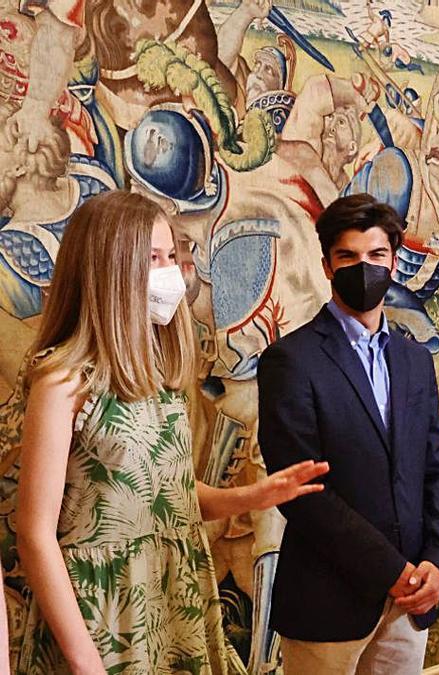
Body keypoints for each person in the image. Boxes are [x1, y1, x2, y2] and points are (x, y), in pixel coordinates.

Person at [6, 190, 328, 673]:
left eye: (171, 257)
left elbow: (171, 498)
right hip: (103, 614)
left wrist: (256, 495)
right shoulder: (63, 382)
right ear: (109, 268)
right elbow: (35, 535)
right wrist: (86, 663)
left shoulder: (160, 375)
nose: (171, 272)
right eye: (153, 258)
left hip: (174, 602)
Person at [257, 194, 439, 674]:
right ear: (327, 265)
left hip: (412, 600)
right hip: (327, 602)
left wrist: (438, 560)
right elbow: (302, 493)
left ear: (394, 262)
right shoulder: (290, 361)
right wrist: (393, 572)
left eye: (376, 256)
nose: (363, 267)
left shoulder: (415, 361)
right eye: (348, 256)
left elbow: (437, 469)